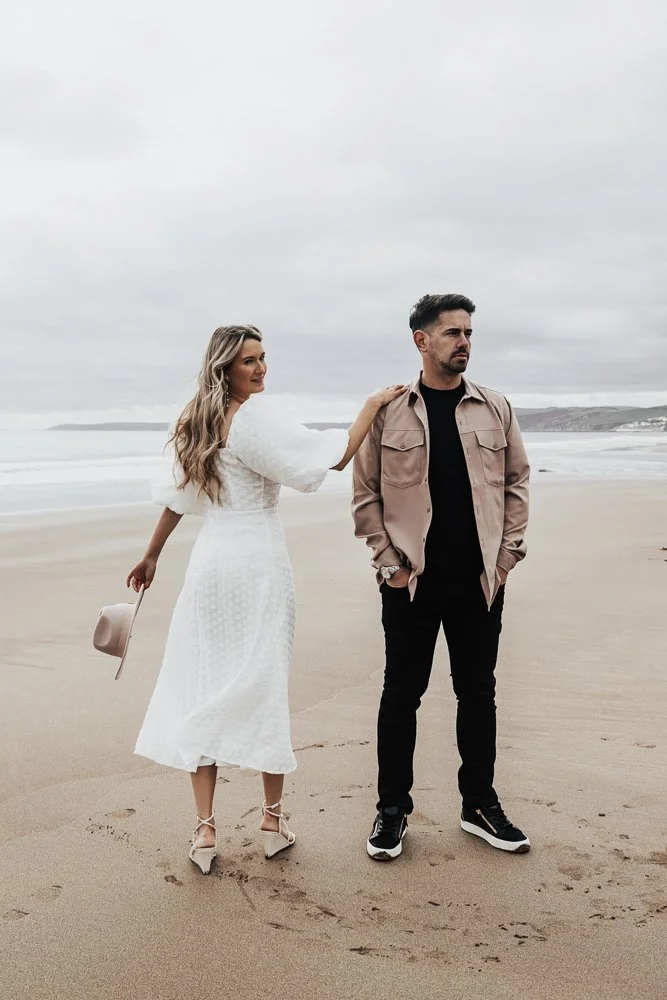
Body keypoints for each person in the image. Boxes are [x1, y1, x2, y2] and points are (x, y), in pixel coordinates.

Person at [127, 324, 404, 873]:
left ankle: (205, 832)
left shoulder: (195, 421)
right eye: (250, 361)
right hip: (256, 562)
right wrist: (371, 406)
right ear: (225, 367)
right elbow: (330, 459)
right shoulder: (255, 418)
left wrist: (152, 554)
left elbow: (179, 500)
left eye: (263, 358)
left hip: (211, 564)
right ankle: (271, 820)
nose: (261, 369)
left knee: (203, 682)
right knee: (264, 681)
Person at [352, 293, 530, 861]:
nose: (464, 343)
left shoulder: (495, 407)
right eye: (452, 333)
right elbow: (365, 496)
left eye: (469, 333)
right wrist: (389, 566)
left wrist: (505, 559)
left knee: (477, 692)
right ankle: (392, 809)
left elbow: (517, 482)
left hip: (479, 581)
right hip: (411, 583)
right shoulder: (389, 411)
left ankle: (478, 803)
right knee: (402, 695)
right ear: (420, 340)